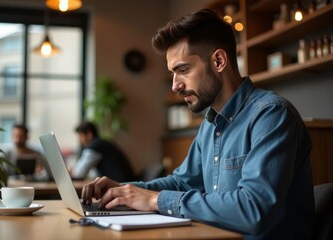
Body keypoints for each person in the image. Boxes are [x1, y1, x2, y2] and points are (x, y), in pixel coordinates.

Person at [81, 9, 314, 239]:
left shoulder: (271, 115)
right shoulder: (210, 124)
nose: (174, 85)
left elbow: (253, 209)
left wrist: (154, 200)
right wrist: (123, 191)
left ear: (219, 61)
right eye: (173, 73)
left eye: (183, 70)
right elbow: (182, 183)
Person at [69, 121, 135, 182]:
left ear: (89, 134)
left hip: (123, 187)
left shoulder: (95, 146)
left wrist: (71, 171)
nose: (80, 140)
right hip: (126, 183)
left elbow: (79, 174)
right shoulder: (101, 143)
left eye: (81, 136)